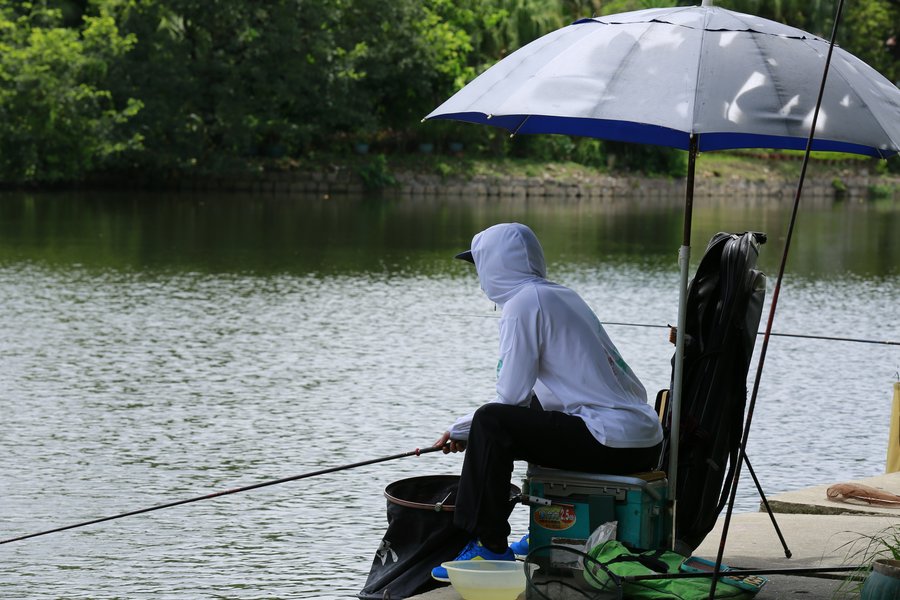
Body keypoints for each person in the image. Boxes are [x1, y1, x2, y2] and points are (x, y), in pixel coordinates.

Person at [431, 222, 663, 581]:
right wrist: (465, 432)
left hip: (609, 438)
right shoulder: (559, 295)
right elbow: (539, 399)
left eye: (479, 265)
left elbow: (509, 399)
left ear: (495, 265)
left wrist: (462, 429)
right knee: (528, 414)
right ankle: (545, 530)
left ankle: (489, 546)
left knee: (493, 423)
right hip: (642, 440)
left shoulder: (522, 305)